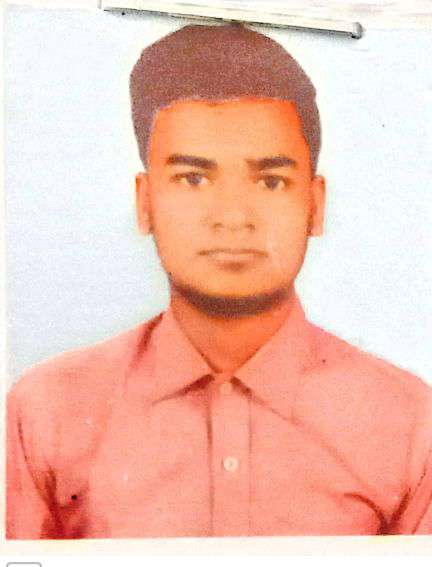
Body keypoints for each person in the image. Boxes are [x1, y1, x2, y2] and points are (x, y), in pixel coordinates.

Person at [6, 24, 432, 539]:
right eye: (193, 178)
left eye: (270, 181)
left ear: (315, 205)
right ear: (145, 202)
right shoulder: (45, 411)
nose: (232, 218)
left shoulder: (409, 422)